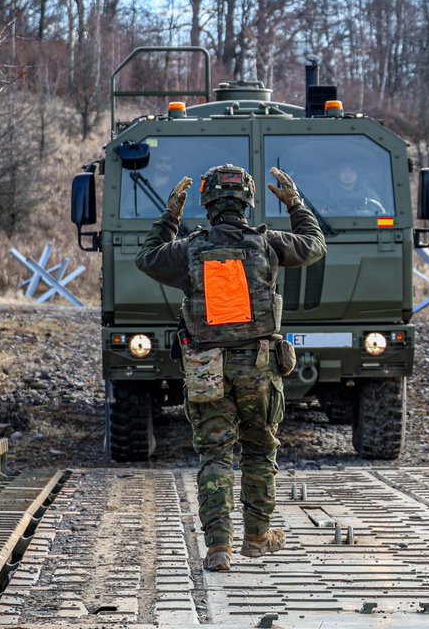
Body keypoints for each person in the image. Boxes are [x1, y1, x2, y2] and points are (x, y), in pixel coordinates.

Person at [135, 164, 326, 572]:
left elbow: (146, 258)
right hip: (259, 365)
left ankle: (218, 548)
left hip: (206, 367)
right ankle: (257, 536)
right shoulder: (268, 243)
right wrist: (295, 203)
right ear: (248, 200)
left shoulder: (189, 248)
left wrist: (169, 216)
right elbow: (314, 245)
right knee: (259, 449)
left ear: (205, 202)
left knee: (215, 455)